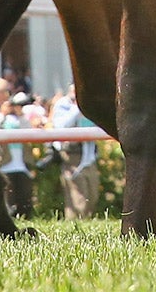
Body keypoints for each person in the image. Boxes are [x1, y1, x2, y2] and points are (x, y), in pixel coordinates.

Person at [48, 85, 99, 220]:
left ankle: (87, 226)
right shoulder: (62, 105)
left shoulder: (90, 105)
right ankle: (74, 227)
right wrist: (78, 107)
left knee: (92, 196)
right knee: (78, 199)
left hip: (90, 156)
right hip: (73, 156)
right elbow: (62, 126)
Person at [0, 92, 35, 220]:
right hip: (5, 165)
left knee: (25, 199)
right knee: (7, 200)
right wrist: (2, 114)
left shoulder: (21, 120)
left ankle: (25, 219)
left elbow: (29, 131)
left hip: (22, 166)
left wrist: (20, 114)